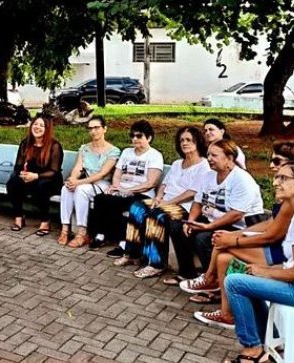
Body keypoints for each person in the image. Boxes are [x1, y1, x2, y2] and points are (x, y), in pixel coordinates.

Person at [186, 141, 294, 330]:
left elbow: (273, 236)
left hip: (284, 257)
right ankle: (226, 311)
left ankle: (210, 281)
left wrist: (235, 240)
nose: (272, 168)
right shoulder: (293, 199)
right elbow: (270, 224)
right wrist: (237, 234)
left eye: (277, 162)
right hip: (287, 256)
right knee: (224, 256)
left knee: (226, 256)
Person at [220, 160, 294, 363]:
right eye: (277, 177)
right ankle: (263, 342)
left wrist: (265, 272)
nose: (276, 182)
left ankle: (252, 349)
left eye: (284, 178)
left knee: (234, 282)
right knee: (248, 282)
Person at [116, 126, 210, 276]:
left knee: (156, 216)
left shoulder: (204, 165)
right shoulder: (177, 163)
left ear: (197, 141)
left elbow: (193, 192)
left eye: (188, 140)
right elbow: (165, 184)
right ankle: (132, 254)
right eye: (181, 140)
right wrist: (158, 198)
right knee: (137, 207)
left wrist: (169, 202)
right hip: (165, 202)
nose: (184, 143)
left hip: (183, 206)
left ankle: (156, 264)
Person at [169, 139, 265, 285]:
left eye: (214, 155)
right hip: (212, 220)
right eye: (208, 155)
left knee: (203, 238)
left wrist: (208, 227)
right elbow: (198, 201)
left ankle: (213, 281)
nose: (209, 159)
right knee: (178, 227)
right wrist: (191, 221)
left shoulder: (242, 179)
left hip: (239, 226)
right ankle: (187, 273)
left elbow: (236, 214)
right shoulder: (209, 175)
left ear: (230, 158)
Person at [89, 119, 164, 253]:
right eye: (133, 136)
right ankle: (101, 235)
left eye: (139, 136)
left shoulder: (155, 155)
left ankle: (124, 243)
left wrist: (127, 190)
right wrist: (116, 187)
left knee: (121, 204)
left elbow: (150, 183)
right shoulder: (127, 152)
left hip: (142, 193)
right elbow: (117, 174)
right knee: (101, 199)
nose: (135, 139)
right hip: (122, 190)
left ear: (149, 137)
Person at [59, 116, 120, 248]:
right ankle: (65, 229)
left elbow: (102, 173)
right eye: (90, 128)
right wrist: (73, 179)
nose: (93, 131)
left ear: (104, 129)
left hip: (102, 184)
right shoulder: (84, 148)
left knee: (80, 190)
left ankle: (82, 233)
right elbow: (77, 167)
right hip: (85, 182)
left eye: (96, 128)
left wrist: (78, 183)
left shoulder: (113, 151)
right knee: (66, 188)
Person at [5, 114, 64, 236]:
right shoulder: (26, 143)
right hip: (29, 177)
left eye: (41, 125)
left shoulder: (54, 146)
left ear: (47, 129)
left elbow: (54, 171)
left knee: (40, 186)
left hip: (49, 179)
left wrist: (36, 176)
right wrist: (23, 174)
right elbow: (18, 165)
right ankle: (19, 216)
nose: (37, 127)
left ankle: (45, 220)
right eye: (35, 124)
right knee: (13, 182)